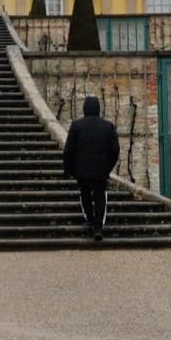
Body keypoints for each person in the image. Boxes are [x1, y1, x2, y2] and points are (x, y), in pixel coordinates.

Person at [63, 96, 120, 241]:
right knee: (100, 198)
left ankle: (90, 219)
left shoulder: (76, 125)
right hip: (100, 171)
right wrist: (108, 167)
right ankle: (98, 228)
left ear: (84, 109)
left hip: (81, 170)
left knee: (85, 196)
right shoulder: (108, 126)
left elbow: (69, 149)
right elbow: (115, 150)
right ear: (98, 109)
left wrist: (69, 169)